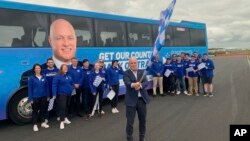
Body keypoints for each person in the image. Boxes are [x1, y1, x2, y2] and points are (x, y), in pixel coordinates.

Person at [20, 19, 77, 86]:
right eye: (59, 38)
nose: (66, 44)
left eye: (70, 38)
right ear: (50, 41)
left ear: (76, 40)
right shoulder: (29, 75)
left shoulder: (86, 67)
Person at [123, 57, 150, 141]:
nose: (133, 64)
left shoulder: (142, 72)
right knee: (130, 122)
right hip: (131, 101)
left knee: (143, 120)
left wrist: (140, 85)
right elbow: (127, 83)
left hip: (142, 100)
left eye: (135, 63)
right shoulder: (126, 73)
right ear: (129, 64)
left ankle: (142, 137)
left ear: (137, 63)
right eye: (131, 63)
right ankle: (129, 138)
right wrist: (134, 84)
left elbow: (146, 82)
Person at [28, 64, 49, 131]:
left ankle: (43, 123)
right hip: (35, 97)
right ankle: (35, 124)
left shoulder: (44, 76)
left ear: (41, 69)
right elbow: (30, 89)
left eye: (39, 68)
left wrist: (48, 96)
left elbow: (47, 87)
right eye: (36, 68)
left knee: (43, 110)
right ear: (34, 69)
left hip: (44, 96)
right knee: (35, 111)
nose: (38, 69)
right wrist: (30, 99)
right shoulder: (31, 78)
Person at [52, 64, 74, 129]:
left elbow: (71, 83)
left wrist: (72, 88)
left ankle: (65, 118)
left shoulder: (69, 75)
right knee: (62, 107)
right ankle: (62, 121)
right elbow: (54, 85)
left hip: (68, 94)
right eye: (64, 68)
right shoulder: (57, 76)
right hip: (61, 94)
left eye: (66, 68)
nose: (65, 69)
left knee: (67, 105)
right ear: (61, 69)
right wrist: (54, 94)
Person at [42, 58, 59, 123]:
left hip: (55, 90)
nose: (50, 63)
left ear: (53, 63)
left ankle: (58, 116)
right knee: (48, 104)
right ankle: (46, 118)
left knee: (57, 103)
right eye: (49, 62)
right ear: (47, 64)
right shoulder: (44, 71)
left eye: (52, 62)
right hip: (48, 91)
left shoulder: (57, 70)